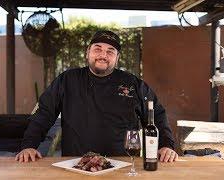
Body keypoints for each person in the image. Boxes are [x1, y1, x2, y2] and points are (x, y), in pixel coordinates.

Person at [15, 30, 178, 163]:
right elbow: (44, 113)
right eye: (97, 49)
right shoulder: (67, 80)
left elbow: (156, 113)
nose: (103, 55)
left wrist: (166, 145)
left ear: (117, 58)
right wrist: (29, 145)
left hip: (122, 165)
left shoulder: (133, 84)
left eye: (110, 51)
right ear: (88, 53)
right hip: (76, 164)